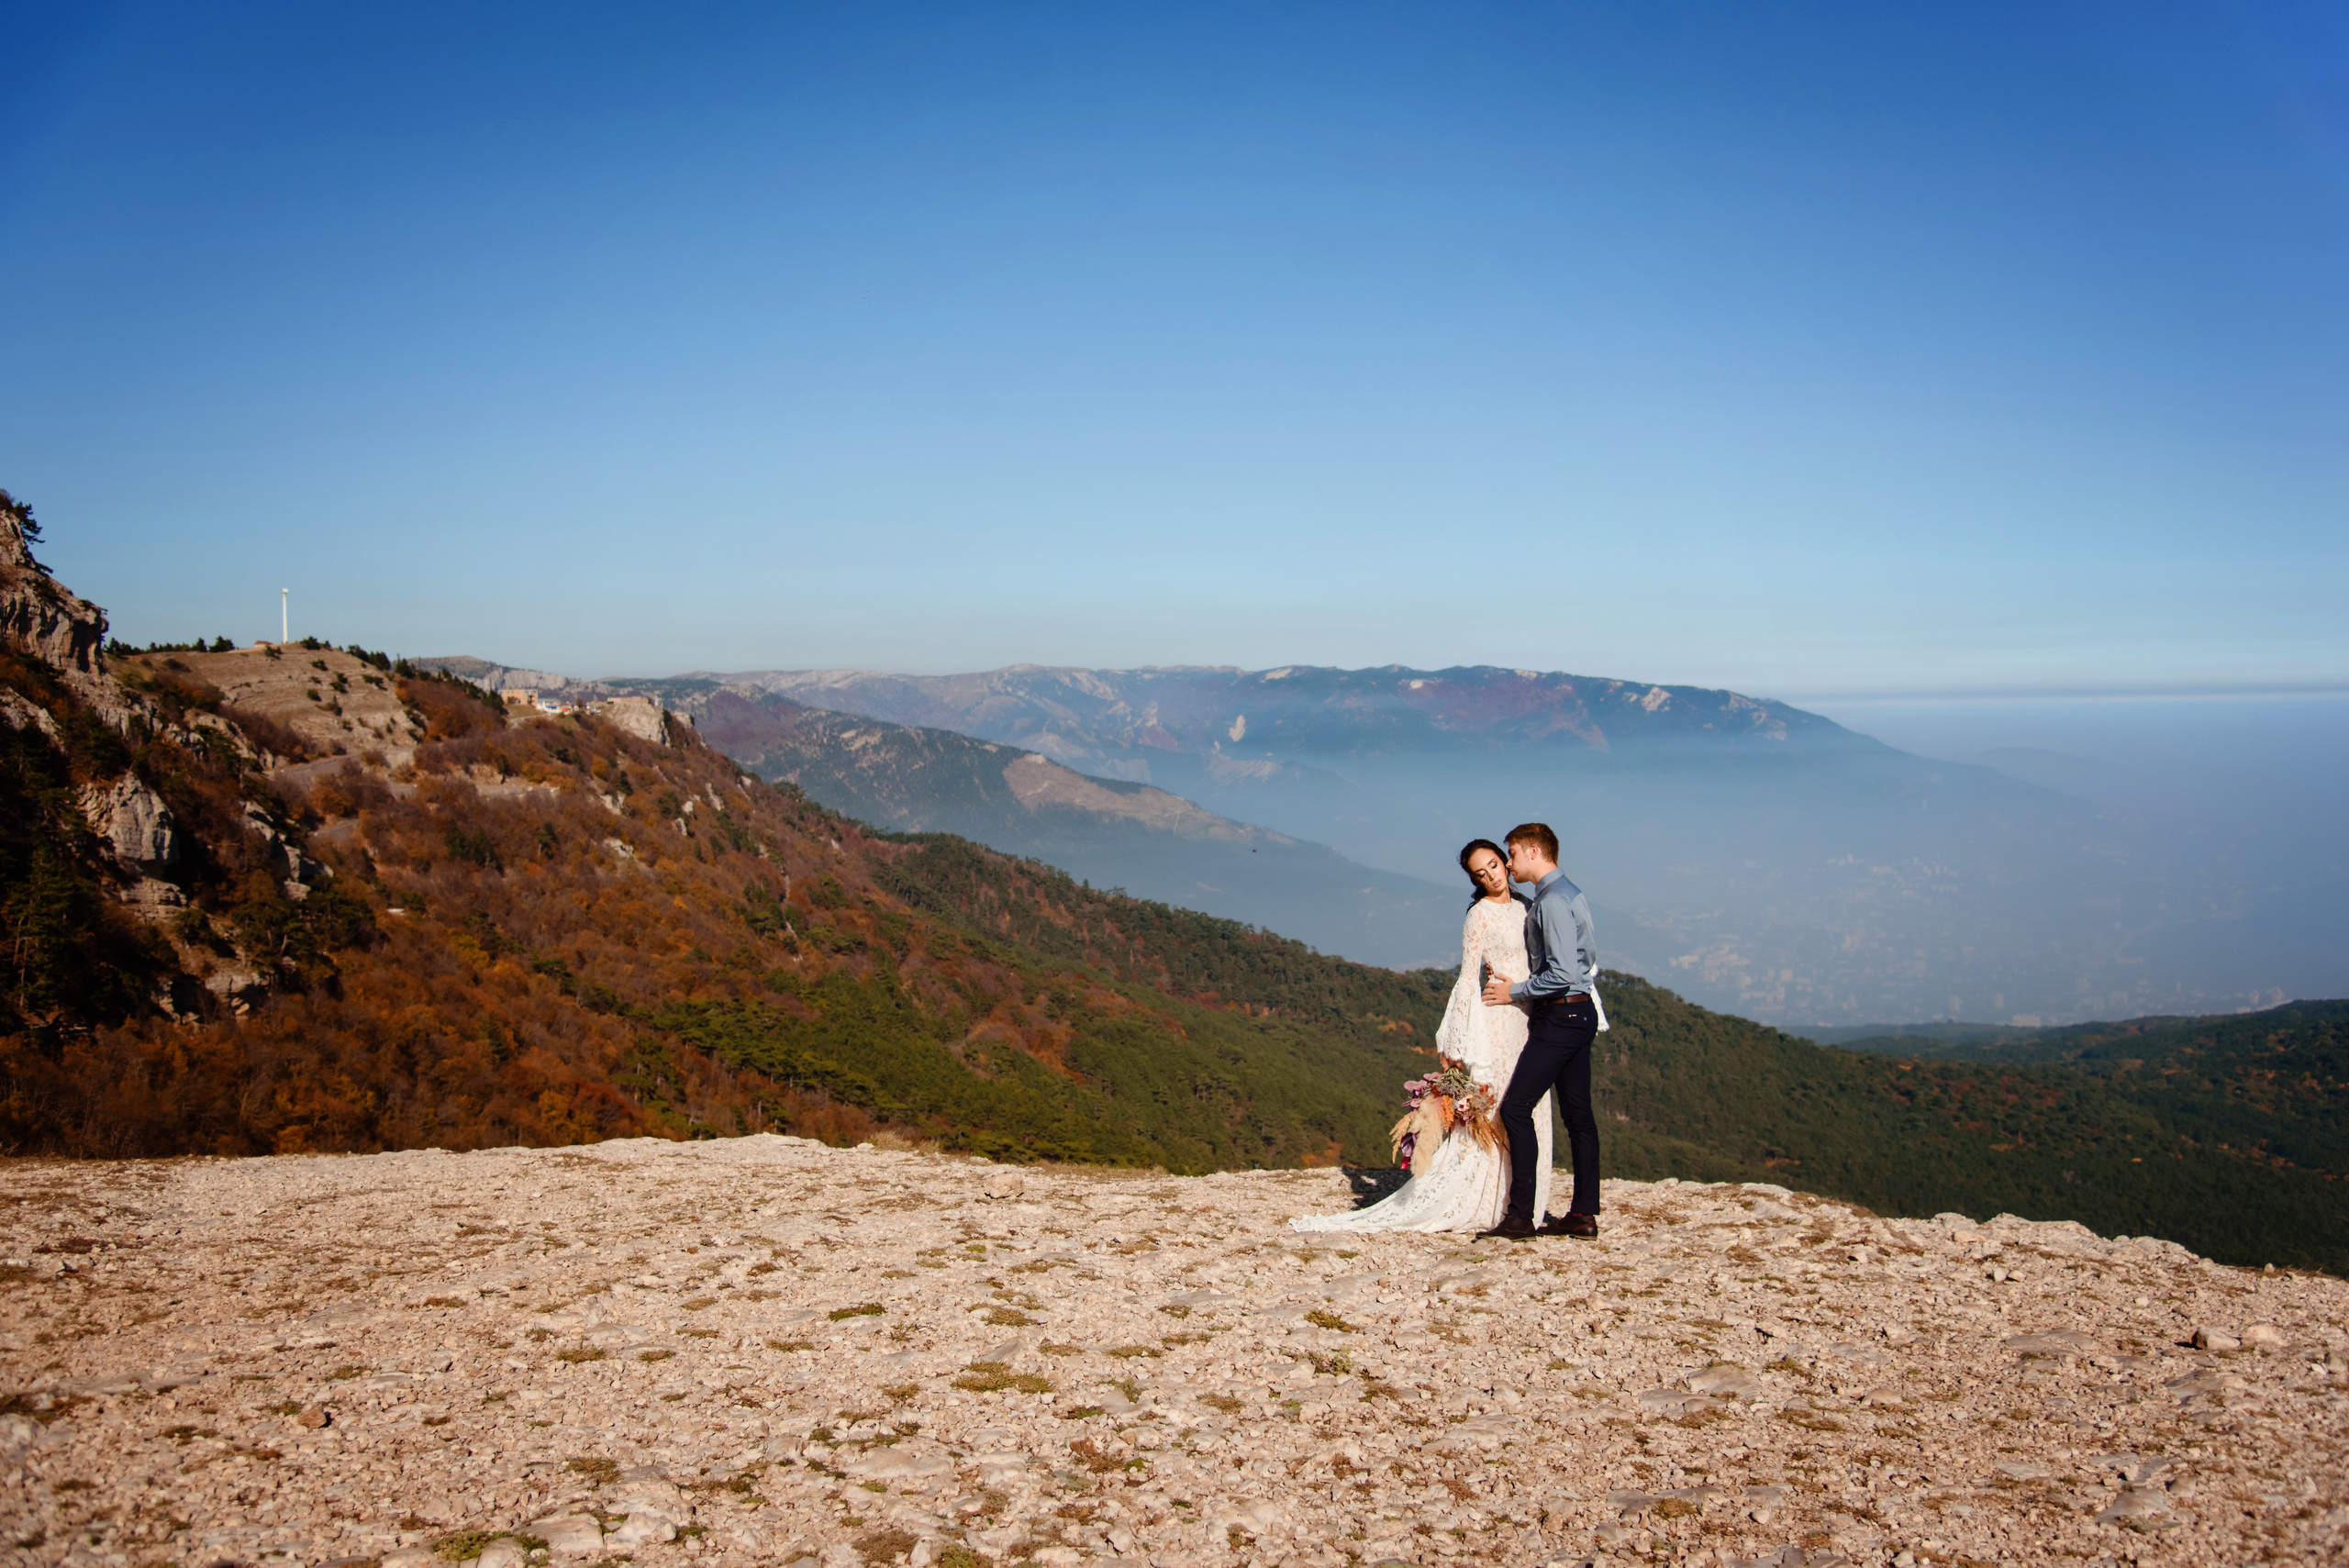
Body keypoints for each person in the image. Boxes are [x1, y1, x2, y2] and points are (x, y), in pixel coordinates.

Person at [1290, 839, 1553, 1233]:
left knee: (1530, 1109)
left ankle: (1524, 1200)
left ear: (1505, 861)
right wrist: (1452, 1041)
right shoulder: (1478, 915)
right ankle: (1495, 1201)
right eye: (1480, 873)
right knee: (1497, 1110)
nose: (1491, 876)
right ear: (1475, 880)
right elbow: (1466, 979)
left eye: (1495, 865)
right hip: (1498, 1020)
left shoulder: (1526, 907)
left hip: (1527, 1018)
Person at [1477, 822, 1607, 1241]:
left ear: (1534, 851)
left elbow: (1562, 973)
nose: (1509, 862)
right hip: (1580, 1013)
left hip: (1561, 1017)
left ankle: (1520, 1216)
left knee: (1515, 1108)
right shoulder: (1571, 892)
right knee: (1579, 1118)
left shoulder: (1549, 902)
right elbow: (1585, 959)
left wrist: (1514, 991)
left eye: (1512, 854)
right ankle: (1584, 1214)